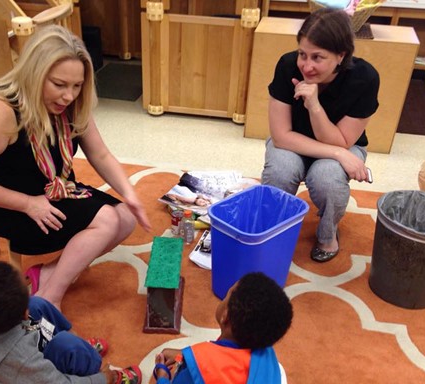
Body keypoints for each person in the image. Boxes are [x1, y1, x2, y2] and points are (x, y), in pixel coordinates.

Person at [0, 25, 151, 310]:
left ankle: (48, 274)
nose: (69, 96)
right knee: (107, 221)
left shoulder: (71, 104)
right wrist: (29, 204)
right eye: (59, 85)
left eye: (77, 86)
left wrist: (130, 194)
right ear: (34, 74)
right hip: (8, 205)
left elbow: (101, 154)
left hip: (53, 189)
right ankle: (49, 297)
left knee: (126, 217)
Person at [261, 8, 379, 262]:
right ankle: (269, 230)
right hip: (295, 143)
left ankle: (328, 235)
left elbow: (342, 141)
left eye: (318, 57)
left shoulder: (365, 79)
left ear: (341, 56)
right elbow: (281, 137)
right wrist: (338, 154)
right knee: (280, 170)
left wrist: (314, 105)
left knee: (326, 177)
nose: (307, 65)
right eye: (303, 54)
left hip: (344, 143)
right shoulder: (287, 66)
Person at [0, 261, 142, 384]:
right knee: (67, 345)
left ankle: (81, 349)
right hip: (29, 372)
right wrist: (102, 379)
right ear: (23, 314)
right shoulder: (22, 358)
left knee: (38, 304)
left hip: (19, 359)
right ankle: (94, 367)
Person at [152, 272, 293, 383]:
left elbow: (207, 368)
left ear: (225, 316)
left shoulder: (197, 371)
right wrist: (185, 356)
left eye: (227, 294)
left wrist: (162, 376)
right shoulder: (269, 359)